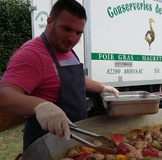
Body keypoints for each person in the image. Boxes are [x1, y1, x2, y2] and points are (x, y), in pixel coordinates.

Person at [0, 0, 119, 151]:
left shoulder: (66, 50)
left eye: (78, 33)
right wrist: (40, 106)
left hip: (73, 136)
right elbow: (4, 95)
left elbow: (74, 79)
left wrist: (103, 87)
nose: (72, 38)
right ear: (50, 22)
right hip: (46, 143)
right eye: (66, 29)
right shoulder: (31, 54)